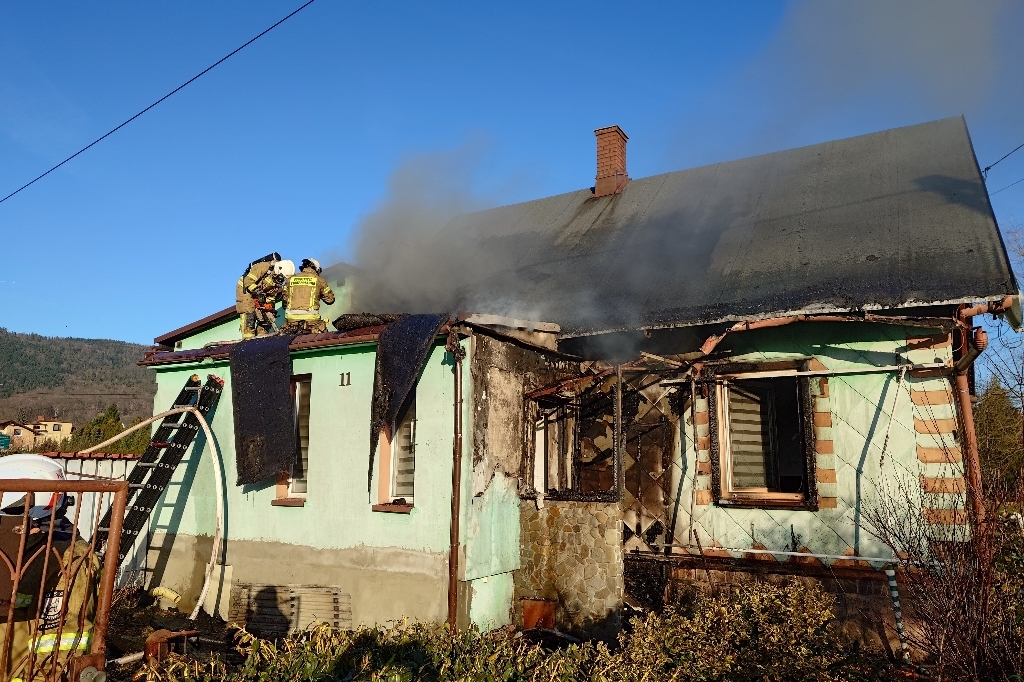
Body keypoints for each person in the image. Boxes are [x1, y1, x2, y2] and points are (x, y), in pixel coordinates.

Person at [236, 254, 291, 338]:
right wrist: (257, 292)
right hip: (244, 289)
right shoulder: (262, 267)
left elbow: (271, 296)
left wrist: (270, 307)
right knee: (249, 313)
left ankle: (262, 336)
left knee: (267, 318)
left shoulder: (276, 282)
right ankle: (248, 336)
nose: (281, 280)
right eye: (281, 277)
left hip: (260, 291)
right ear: (278, 269)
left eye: (283, 279)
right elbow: (248, 281)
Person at [282, 258, 335, 335]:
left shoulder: (290, 280)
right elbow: (330, 300)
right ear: (316, 269)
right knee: (324, 338)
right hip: (312, 322)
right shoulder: (319, 280)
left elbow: (284, 302)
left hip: (291, 322)